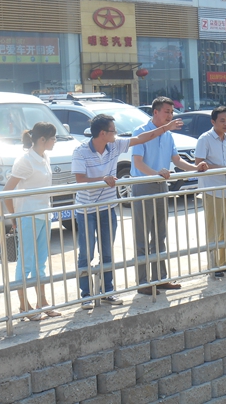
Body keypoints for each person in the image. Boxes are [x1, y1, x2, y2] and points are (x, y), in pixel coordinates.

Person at [73, 112, 183, 309]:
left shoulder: (115, 145)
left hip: (108, 207)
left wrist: (166, 128)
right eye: (113, 131)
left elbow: (141, 138)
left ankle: (107, 292)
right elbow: (80, 180)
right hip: (86, 210)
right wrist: (102, 180)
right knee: (86, 254)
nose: (116, 134)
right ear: (102, 133)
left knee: (107, 253)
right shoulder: (81, 151)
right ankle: (86, 295)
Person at [131, 97, 208, 294]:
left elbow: (176, 159)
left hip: (161, 185)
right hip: (143, 186)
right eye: (167, 112)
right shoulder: (140, 132)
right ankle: (143, 282)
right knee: (142, 236)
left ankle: (160, 278)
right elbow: (138, 163)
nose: (170, 116)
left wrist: (195, 168)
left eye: (172, 112)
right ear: (155, 112)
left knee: (160, 235)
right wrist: (156, 174)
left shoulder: (168, 135)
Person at [3, 122, 61, 321]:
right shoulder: (25, 160)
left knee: (40, 261)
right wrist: (14, 217)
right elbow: (7, 191)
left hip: (44, 214)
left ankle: (42, 302)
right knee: (26, 262)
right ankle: (23, 305)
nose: (55, 141)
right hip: (28, 215)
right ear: (42, 139)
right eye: (53, 138)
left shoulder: (44, 157)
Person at [194, 106, 226, 278]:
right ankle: (213, 266)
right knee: (214, 229)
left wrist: (224, 170)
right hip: (212, 189)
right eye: (222, 121)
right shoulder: (205, 139)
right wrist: (220, 168)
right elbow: (199, 163)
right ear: (213, 122)